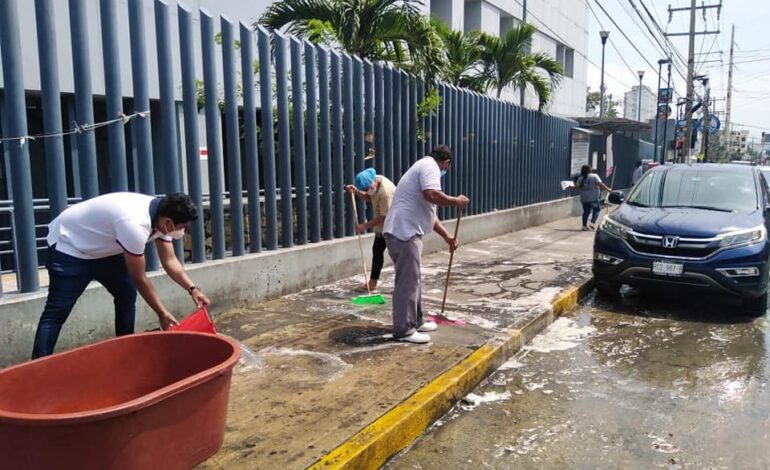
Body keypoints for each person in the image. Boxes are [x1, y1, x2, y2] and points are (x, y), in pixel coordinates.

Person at [31, 192, 210, 358]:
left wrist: (193, 289)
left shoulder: (162, 217)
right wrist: (162, 313)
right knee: (56, 313)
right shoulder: (135, 224)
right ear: (168, 223)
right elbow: (139, 278)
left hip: (104, 248)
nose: (183, 231)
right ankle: (38, 367)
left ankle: (125, 352)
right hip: (70, 246)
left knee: (126, 294)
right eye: (183, 227)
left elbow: (169, 261)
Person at [383, 144, 469, 344]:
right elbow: (431, 195)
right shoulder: (430, 167)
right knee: (407, 282)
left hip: (404, 231)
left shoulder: (423, 166)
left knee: (414, 279)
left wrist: (447, 237)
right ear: (446, 162)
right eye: (447, 167)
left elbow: (430, 214)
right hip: (404, 232)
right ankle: (404, 329)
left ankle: (416, 320)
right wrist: (456, 201)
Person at [345, 168, 396, 292]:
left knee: (397, 255)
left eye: (367, 188)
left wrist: (364, 226)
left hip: (394, 225)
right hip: (383, 225)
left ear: (373, 182)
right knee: (377, 251)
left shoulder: (386, 192)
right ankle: (372, 283)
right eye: (365, 189)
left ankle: (402, 284)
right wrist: (356, 192)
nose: (367, 191)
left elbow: (384, 217)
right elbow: (369, 197)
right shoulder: (374, 183)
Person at [576, 165, 612, 231]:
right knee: (597, 210)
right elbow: (600, 184)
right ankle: (592, 223)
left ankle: (584, 226)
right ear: (590, 170)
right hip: (593, 197)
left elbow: (578, 187)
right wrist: (607, 189)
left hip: (584, 198)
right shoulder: (594, 176)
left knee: (586, 212)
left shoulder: (580, 178)